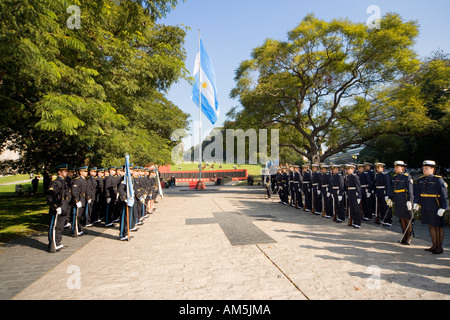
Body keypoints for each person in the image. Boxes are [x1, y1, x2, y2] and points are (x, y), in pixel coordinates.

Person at [414, 160, 449, 254]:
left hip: (435, 205)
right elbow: (418, 193)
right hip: (425, 205)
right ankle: (434, 245)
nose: (424, 170)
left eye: (426, 168)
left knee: (438, 226)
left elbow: (444, 195)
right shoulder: (421, 179)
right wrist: (416, 203)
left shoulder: (438, 179)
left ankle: (439, 247)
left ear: (433, 169)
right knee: (431, 225)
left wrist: (444, 207)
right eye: (423, 168)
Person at [388, 161, 414, 244]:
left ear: (402, 168)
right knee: (401, 219)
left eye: (397, 167)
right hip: (398, 200)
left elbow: (410, 190)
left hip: (405, 200)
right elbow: (392, 189)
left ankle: (409, 237)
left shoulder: (407, 177)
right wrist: (390, 198)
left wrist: (409, 201)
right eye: (395, 167)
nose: (395, 169)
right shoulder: (394, 177)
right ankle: (404, 236)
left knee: (407, 219)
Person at [46, 164, 71, 253]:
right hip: (57, 207)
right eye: (64, 171)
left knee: (60, 226)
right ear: (59, 172)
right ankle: (52, 244)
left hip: (63, 206)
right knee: (54, 226)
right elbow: (50, 195)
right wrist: (55, 206)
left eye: (66, 171)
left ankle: (57, 241)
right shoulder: (55, 182)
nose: (66, 172)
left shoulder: (64, 181)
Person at [71, 166, 88, 237]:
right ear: (81, 172)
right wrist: (77, 201)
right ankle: (75, 231)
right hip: (78, 200)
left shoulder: (83, 179)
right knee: (76, 216)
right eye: (84, 171)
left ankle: (79, 229)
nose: (86, 173)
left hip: (82, 199)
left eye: (86, 171)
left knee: (80, 216)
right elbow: (74, 191)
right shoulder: (77, 180)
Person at [345, 164, 362, 228]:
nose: (347, 170)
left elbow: (358, 187)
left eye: (349, 169)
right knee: (352, 209)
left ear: (353, 169)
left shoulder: (354, 176)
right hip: (350, 194)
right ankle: (355, 221)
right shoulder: (349, 176)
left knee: (356, 209)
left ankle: (358, 222)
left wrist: (359, 196)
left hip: (355, 194)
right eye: (347, 169)